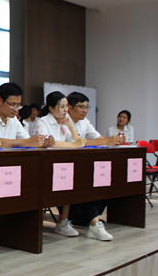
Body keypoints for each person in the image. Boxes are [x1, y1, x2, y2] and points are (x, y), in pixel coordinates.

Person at [32, 92, 111, 240]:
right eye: (62, 107)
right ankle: (90, 224)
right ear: (51, 108)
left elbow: (77, 142)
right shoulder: (43, 121)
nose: (65, 110)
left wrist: (69, 125)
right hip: (44, 168)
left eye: (66, 106)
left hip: (62, 167)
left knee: (86, 180)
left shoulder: (64, 122)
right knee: (79, 181)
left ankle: (80, 222)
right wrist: (73, 144)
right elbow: (48, 143)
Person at [0, 83, 50, 149]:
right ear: (0, 100)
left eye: (18, 105)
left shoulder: (13, 119)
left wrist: (42, 143)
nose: (16, 109)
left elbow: (26, 139)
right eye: (12, 104)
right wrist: (27, 142)